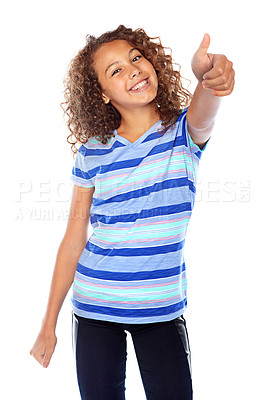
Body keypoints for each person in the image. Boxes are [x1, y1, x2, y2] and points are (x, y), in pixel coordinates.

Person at [30, 25, 235, 400]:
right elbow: (74, 240)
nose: (133, 69)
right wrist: (48, 325)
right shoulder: (93, 152)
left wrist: (208, 76)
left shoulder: (182, 133)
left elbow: (206, 110)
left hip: (161, 311)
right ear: (102, 95)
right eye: (116, 70)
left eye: (136, 58)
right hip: (95, 306)